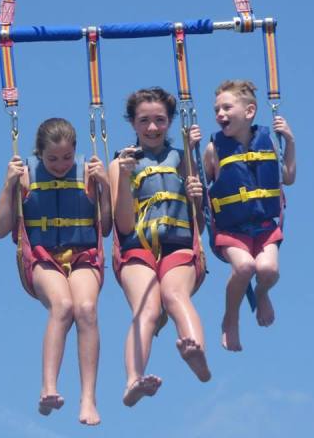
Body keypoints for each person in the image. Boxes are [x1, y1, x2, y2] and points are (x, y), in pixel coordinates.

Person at [0, 118, 112, 425]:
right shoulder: (25, 176)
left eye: (67, 158)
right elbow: (0, 229)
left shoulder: (88, 172)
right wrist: (9, 185)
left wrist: (106, 187)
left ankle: (88, 399)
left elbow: (108, 227)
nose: (60, 165)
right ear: (40, 154)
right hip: (42, 257)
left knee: (86, 309)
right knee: (64, 306)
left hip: (84, 254)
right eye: (52, 159)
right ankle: (49, 387)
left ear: (76, 151)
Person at [109, 87, 211, 408]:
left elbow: (200, 225)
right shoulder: (121, 164)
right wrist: (124, 181)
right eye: (144, 121)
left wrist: (197, 196)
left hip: (178, 245)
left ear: (169, 122)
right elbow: (123, 224)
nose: (152, 128)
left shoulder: (183, 158)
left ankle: (197, 354)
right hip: (135, 247)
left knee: (174, 295)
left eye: (160, 120)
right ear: (132, 123)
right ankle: (133, 381)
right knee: (148, 308)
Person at [204, 80, 296, 352]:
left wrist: (289, 140)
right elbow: (199, 190)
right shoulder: (214, 149)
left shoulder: (270, 142)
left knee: (267, 270)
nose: (220, 114)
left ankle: (262, 293)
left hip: (266, 226)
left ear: (249, 111)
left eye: (226, 107)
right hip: (231, 231)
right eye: (216, 109)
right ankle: (230, 319)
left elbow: (288, 177)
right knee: (244, 267)